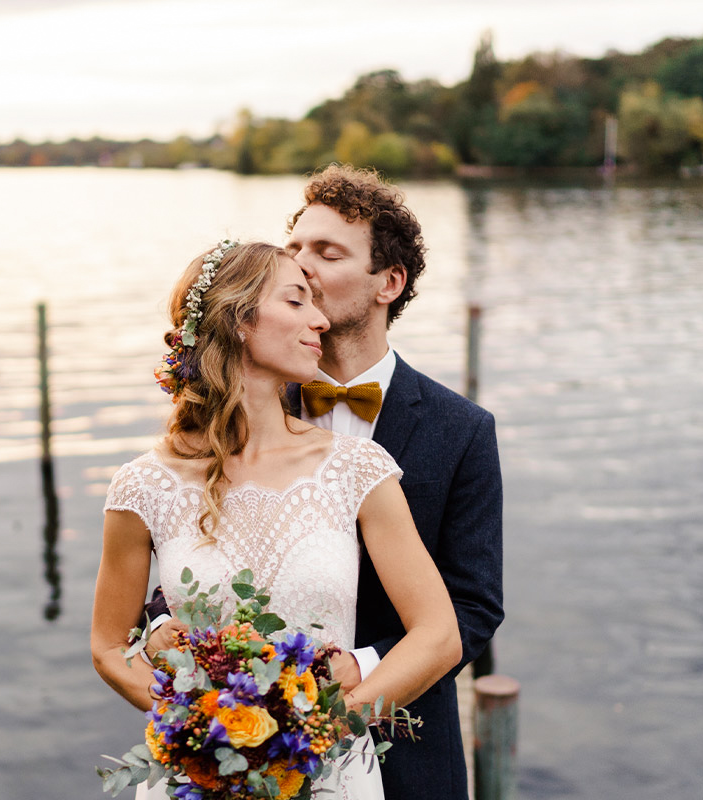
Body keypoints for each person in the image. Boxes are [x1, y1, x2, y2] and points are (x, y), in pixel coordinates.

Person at [142, 165, 505, 800]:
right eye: (296, 249)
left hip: (408, 748)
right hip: (238, 746)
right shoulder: (239, 401)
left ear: (388, 283)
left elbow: (472, 607)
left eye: (327, 252)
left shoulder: (461, 430)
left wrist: (353, 673)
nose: (301, 266)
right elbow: (189, 546)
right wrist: (157, 630)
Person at [90, 239, 462, 799]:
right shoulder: (143, 485)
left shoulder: (356, 468)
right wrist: (201, 727)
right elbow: (108, 646)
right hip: (200, 778)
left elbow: (438, 636)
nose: (319, 319)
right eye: (296, 301)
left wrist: (316, 731)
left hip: (330, 771)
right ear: (239, 320)